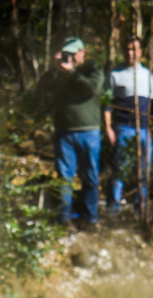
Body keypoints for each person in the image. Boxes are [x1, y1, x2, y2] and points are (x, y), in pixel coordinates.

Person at [35, 37, 104, 228]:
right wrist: (54, 68)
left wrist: (71, 71)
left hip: (89, 132)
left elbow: (90, 88)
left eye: (74, 54)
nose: (70, 57)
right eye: (67, 54)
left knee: (90, 177)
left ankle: (91, 219)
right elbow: (41, 88)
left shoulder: (92, 68)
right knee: (64, 178)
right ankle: (64, 218)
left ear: (82, 52)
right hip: (64, 133)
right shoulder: (59, 73)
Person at [104, 36, 151, 214]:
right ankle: (112, 209)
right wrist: (108, 127)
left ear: (140, 52)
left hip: (145, 130)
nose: (130, 53)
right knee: (120, 170)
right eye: (127, 49)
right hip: (123, 128)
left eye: (134, 49)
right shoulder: (115, 74)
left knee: (144, 171)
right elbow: (106, 103)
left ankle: (142, 208)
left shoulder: (148, 75)